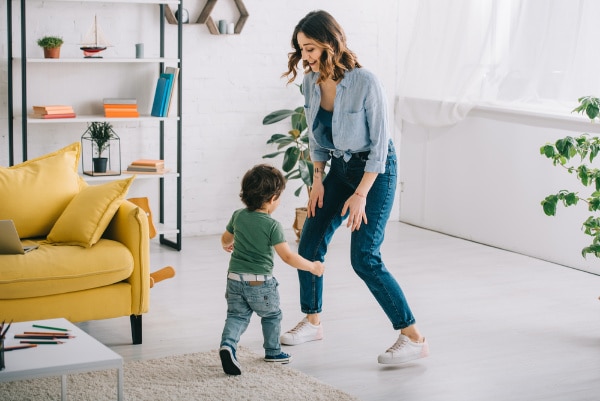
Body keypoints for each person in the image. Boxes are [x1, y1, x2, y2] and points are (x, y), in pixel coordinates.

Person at [278, 10, 429, 365]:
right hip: (339, 168)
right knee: (310, 241)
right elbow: (317, 138)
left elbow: (379, 146)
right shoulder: (310, 82)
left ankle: (413, 337)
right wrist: (317, 181)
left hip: (375, 172)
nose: (306, 57)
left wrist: (360, 195)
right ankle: (312, 321)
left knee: (364, 257)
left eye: (311, 48)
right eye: (301, 49)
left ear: (331, 43)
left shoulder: (365, 82)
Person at [219, 164, 326, 375]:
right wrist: (313, 266)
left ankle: (228, 346)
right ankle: (273, 351)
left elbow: (225, 239)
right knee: (271, 316)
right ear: (272, 199)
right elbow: (288, 257)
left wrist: (226, 245)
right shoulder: (272, 225)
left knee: (236, 316)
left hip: (234, 280)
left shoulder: (238, 215)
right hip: (260, 283)